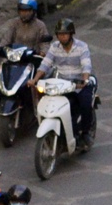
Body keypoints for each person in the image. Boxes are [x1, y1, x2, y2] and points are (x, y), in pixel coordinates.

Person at [34, 18, 95, 149]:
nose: (62, 37)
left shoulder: (82, 47)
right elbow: (45, 64)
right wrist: (34, 79)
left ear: (71, 34)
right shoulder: (54, 47)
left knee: (85, 105)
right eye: (60, 34)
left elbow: (86, 66)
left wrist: (84, 80)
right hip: (62, 86)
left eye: (65, 34)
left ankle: (85, 133)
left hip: (79, 85)